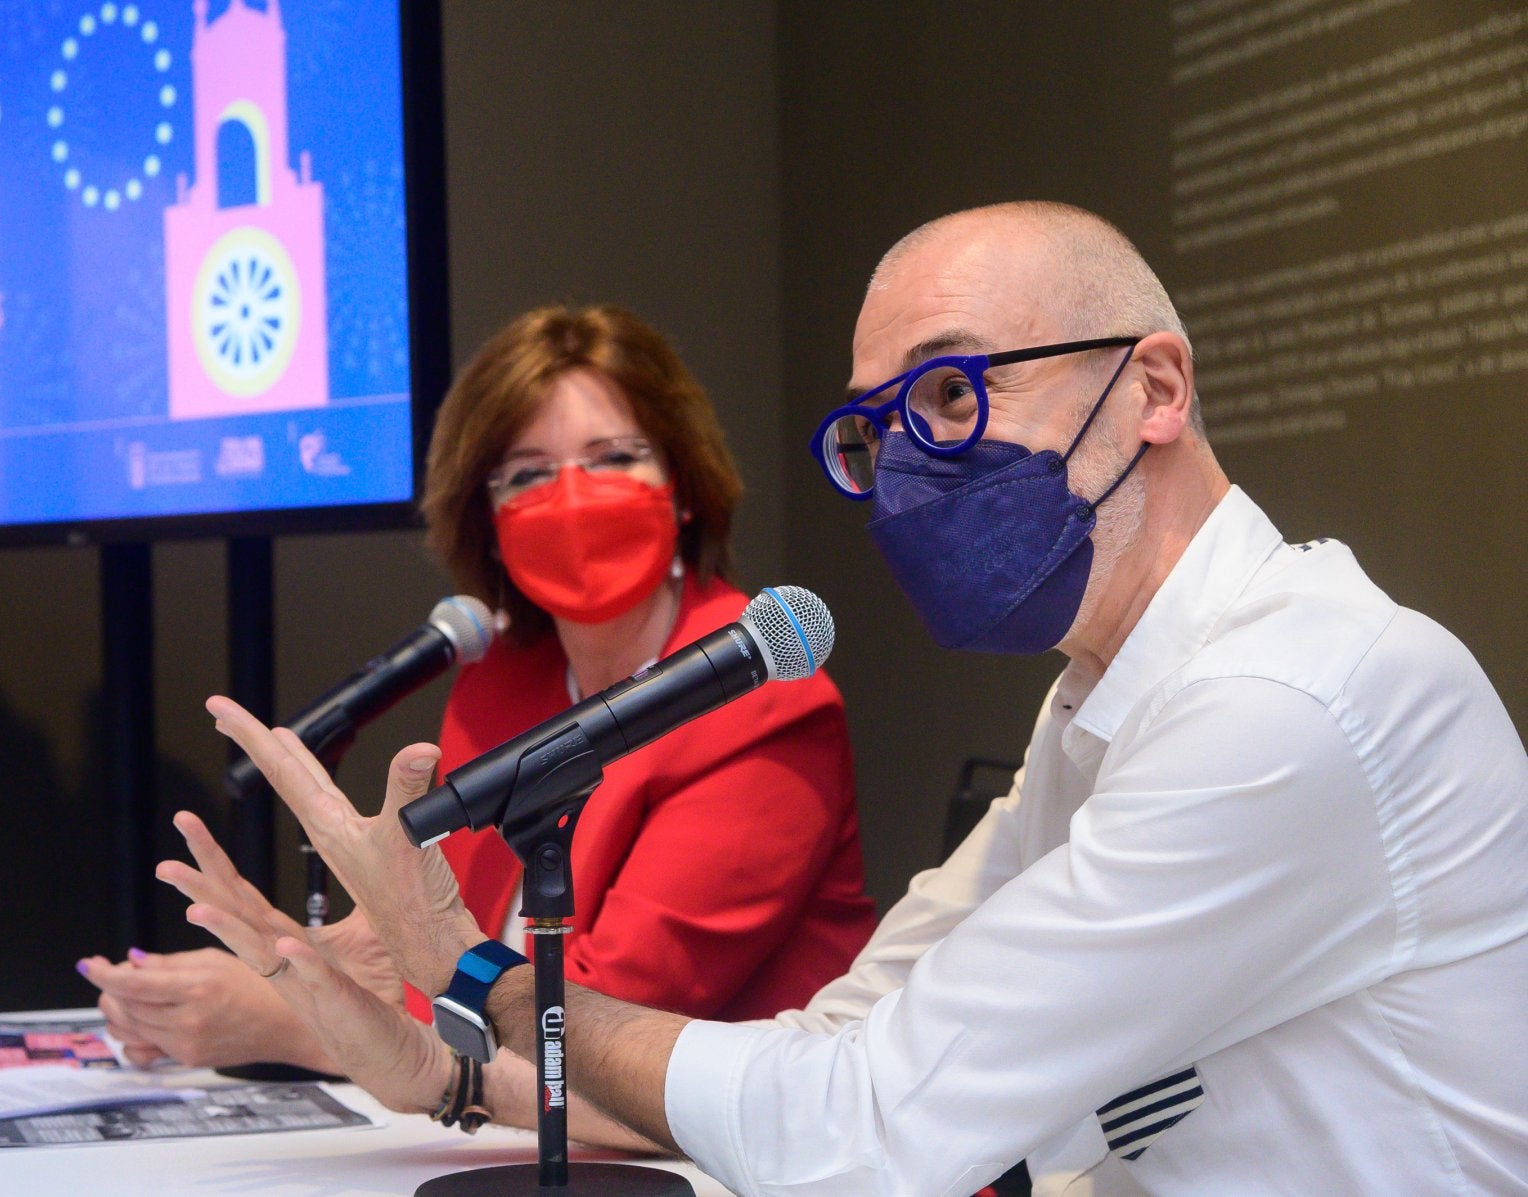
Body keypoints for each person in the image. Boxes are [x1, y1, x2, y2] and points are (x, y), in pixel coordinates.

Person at [192, 203, 1528, 1194]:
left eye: (952, 391)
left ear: (1157, 388)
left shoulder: (1287, 702)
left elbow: (863, 1125)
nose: (904, 470)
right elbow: (847, 1034)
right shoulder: (1103, 698)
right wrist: (445, 1070)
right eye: (874, 431)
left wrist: (471, 970)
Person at [79, 304, 875, 1080]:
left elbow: (609, 1014)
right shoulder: (502, 682)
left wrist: (301, 1023)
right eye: (528, 473)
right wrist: (293, 967)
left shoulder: (762, 694)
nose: (573, 495)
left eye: (614, 457)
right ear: (488, 519)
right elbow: (436, 937)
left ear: (682, 484)